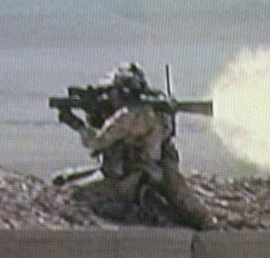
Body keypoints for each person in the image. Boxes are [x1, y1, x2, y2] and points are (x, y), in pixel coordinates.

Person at [58, 63, 212, 229]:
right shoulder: (156, 111)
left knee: (74, 194)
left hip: (128, 178)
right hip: (155, 171)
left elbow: (97, 141)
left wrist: (77, 124)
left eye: (113, 93)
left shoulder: (128, 116)